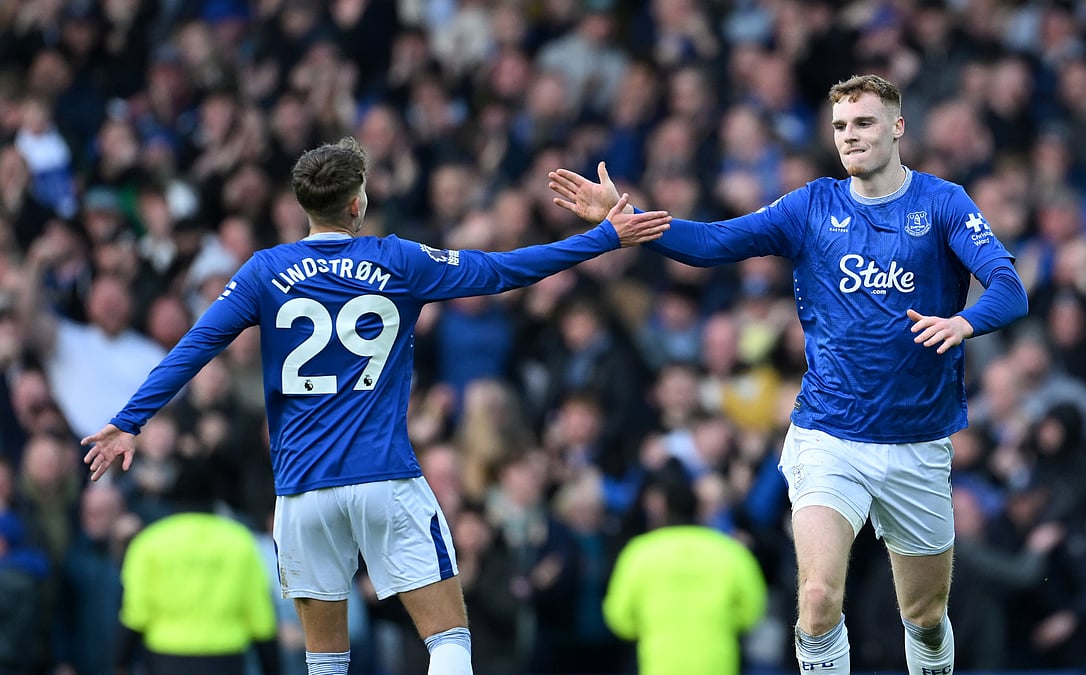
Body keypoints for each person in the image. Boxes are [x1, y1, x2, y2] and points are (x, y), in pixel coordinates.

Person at [80, 136, 671, 675]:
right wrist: (603, 237)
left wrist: (128, 422)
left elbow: (198, 344)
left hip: (301, 492)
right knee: (448, 640)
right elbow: (501, 271)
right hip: (384, 478)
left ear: (303, 205)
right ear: (358, 203)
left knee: (325, 659)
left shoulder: (265, 271)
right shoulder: (398, 260)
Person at [549, 74, 1028, 675]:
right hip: (828, 434)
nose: (850, 137)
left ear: (898, 127)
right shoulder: (810, 207)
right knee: (819, 599)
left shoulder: (942, 203)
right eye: (841, 127)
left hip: (917, 441)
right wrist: (627, 220)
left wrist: (963, 323)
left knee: (925, 615)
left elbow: (1009, 289)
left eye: (865, 123)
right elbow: (713, 243)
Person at [115, 457, 281, 675]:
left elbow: (136, 613)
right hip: (225, 659)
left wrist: (120, 662)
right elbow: (259, 615)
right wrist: (273, 666)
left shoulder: (150, 543)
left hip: (167, 659)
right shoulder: (240, 542)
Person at [602, 460, 767, 675]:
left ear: (663, 509)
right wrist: (723, 622)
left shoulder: (640, 552)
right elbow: (753, 610)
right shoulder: (729, 551)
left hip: (658, 665)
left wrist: (650, 625)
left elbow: (619, 617)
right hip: (718, 665)